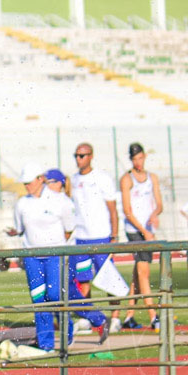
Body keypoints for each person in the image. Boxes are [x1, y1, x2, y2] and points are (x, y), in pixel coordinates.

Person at [5, 164, 106, 351]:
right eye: (25, 183)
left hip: (55, 255)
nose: (27, 186)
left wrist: (57, 248)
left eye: (29, 182)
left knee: (55, 295)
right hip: (32, 256)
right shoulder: (22, 204)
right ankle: (46, 345)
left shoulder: (60, 201)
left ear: (40, 179)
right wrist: (13, 233)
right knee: (39, 299)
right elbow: (20, 229)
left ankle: (70, 333)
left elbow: (69, 229)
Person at [67, 142, 121, 332]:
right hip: (81, 237)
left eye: (82, 156)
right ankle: (88, 316)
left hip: (101, 236)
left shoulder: (102, 178)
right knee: (83, 280)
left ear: (91, 156)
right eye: (76, 155)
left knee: (109, 278)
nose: (78, 159)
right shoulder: (72, 180)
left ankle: (115, 318)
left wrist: (114, 235)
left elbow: (113, 210)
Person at [119, 143, 163, 331]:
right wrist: (144, 231)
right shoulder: (127, 179)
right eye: (135, 159)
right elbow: (128, 211)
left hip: (147, 230)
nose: (138, 162)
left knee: (139, 272)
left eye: (140, 158)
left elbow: (159, 204)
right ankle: (154, 316)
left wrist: (155, 215)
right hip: (135, 230)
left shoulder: (152, 178)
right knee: (144, 272)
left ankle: (129, 315)